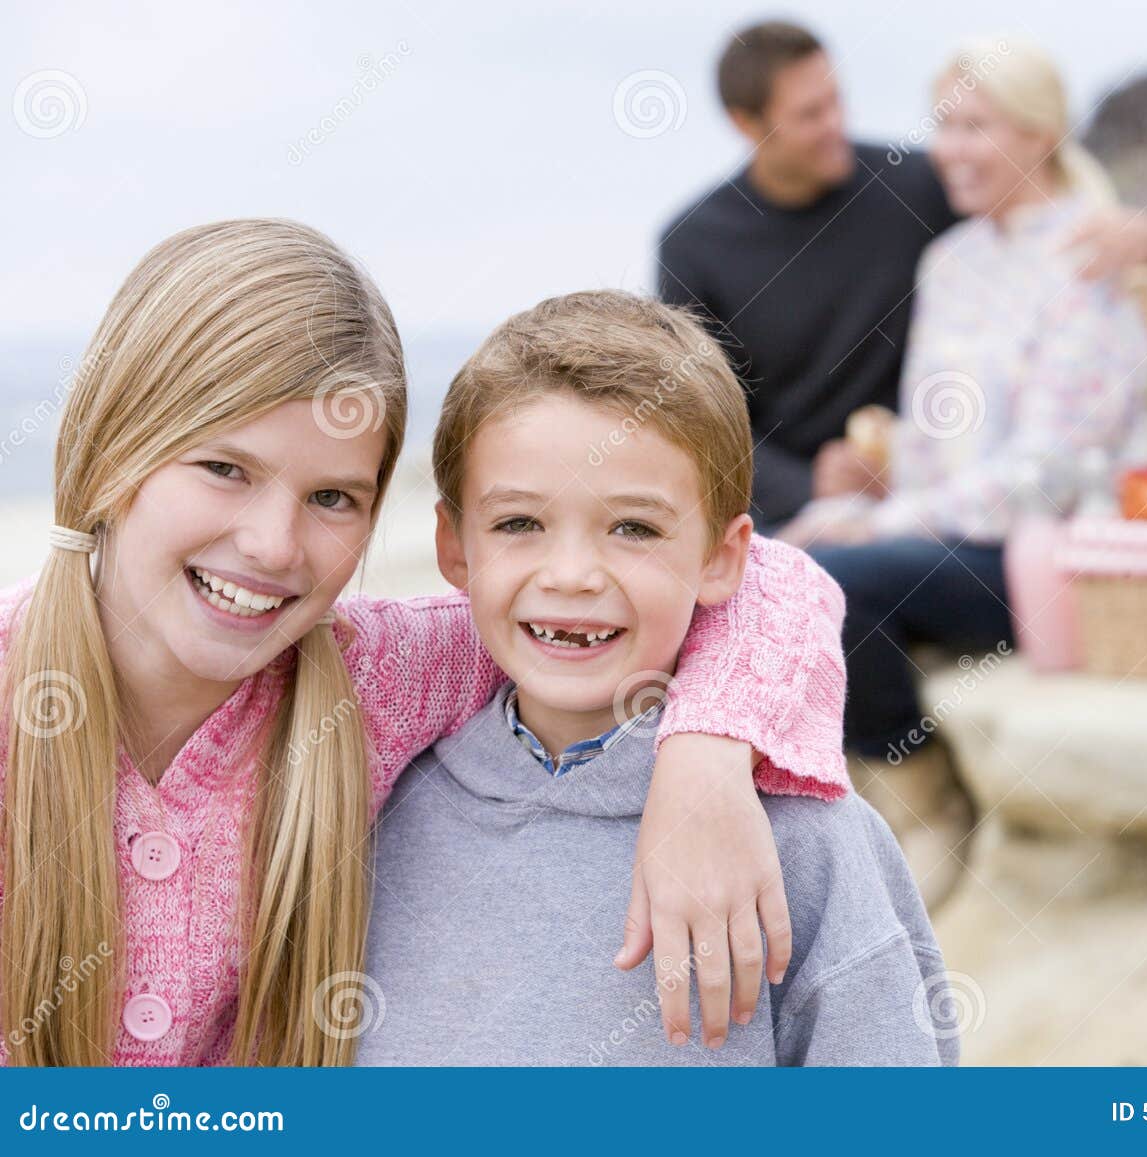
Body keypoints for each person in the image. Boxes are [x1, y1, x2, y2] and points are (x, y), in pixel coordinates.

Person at [0, 220, 851, 1066]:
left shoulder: (374, 675)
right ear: (113, 445)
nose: (272, 544)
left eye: (332, 497)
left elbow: (764, 581)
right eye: (225, 469)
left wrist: (705, 759)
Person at [358, 291, 956, 1065]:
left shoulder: (807, 844)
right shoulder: (376, 809)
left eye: (633, 527)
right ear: (455, 547)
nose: (571, 574)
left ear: (722, 558)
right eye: (519, 523)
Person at [784, 41, 1147, 905]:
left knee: (830, 578)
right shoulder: (949, 261)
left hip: (1042, 553)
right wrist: (863, 498)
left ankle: (929, 805)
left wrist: (878, 528)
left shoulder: (1089, 255)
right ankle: (840, 800)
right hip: (948, 532)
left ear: (1040, 134)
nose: (948, 148)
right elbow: (929, 434)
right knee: (774, 556)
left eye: (973, 127)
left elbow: (1051, 473)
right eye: (944, 126)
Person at [658, 20, 1147, 530]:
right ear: (747, 124)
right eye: (810, 114)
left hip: (923, 506)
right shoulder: (695, 245)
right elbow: (699, 422)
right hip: (786, 503)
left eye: (836, 100)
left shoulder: (916, 188)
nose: (836, 124)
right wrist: (806, 486)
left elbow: (1032, 193)